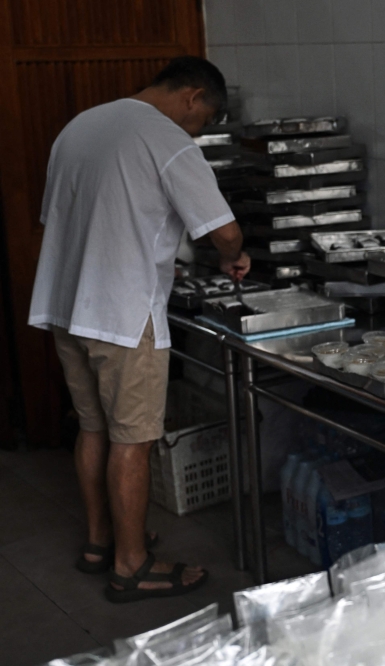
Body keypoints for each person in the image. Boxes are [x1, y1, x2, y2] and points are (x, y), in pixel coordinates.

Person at [27, 56, 250, 602]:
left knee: (93, 427)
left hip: (66, 304)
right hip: (124, 318)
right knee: (134, 440)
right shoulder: (167, 138)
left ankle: (101, 543)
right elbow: (223, 231)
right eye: (203, 118)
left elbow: (57, 217)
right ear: (193, 97)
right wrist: (234, 258)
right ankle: (132, 566)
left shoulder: (79, 126)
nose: (197, 129)